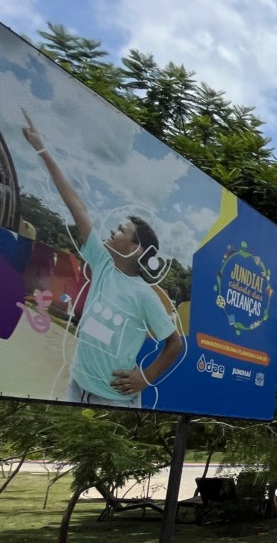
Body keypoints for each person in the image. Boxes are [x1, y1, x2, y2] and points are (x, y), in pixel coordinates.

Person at [22, 110, 183, 406]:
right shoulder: (103, 263)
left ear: (135, 248)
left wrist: (145, 378)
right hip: (77, 386)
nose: (113, 229)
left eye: (121, 229)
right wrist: (42, 150)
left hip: (114, 400)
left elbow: (175, 343)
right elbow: (78, 207)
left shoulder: (144, 295)